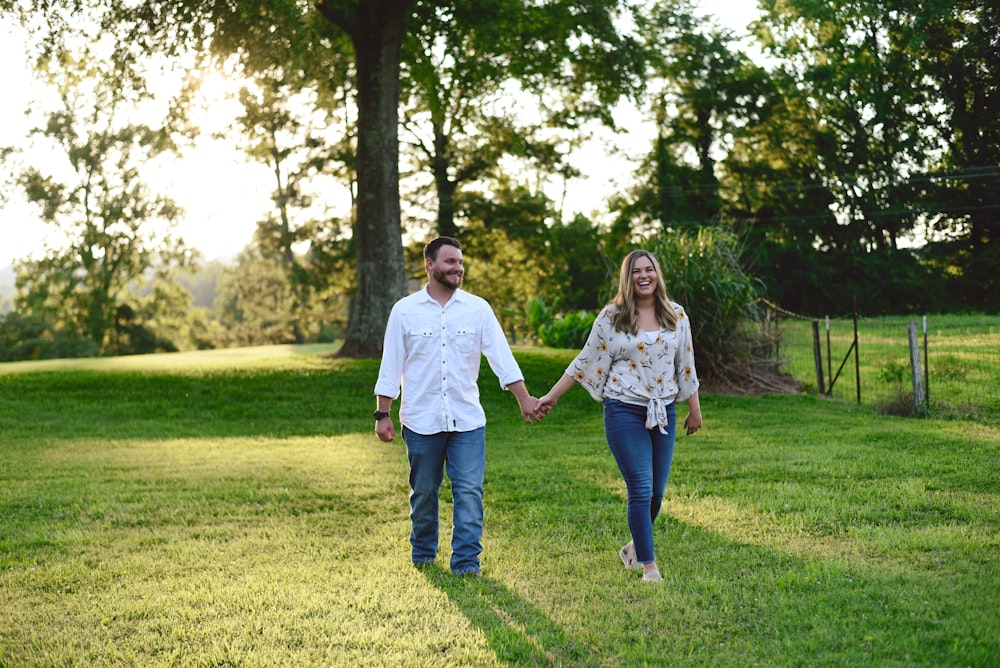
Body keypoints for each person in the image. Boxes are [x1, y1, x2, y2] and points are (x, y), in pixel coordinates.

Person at [374, 236, 544, 576]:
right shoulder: (404, 311)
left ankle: (466, 564)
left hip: (467, 421)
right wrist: (383, 413)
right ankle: (423, 554)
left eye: (461, 262)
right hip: (421, 422)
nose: (458, 268)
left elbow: (502, 358)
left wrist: (524, 398)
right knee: (423, 493)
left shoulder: (477, 309)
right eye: (451, 262)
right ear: (430, 264)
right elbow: (391, 364)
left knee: (469, 492)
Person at [538, 249, 702, 583]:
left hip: (664, 412)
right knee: (640, 488)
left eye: (649, 269)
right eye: (636, 271)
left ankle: (632, 548)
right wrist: (551, 396)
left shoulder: (676, 315)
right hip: (624, 411)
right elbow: (585, 361)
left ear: (658, 274)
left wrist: (694, 409)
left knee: (657, 492)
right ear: (627, 279)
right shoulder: (612, 318)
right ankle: (649, 567)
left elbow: (685, 364)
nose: (644, 276)